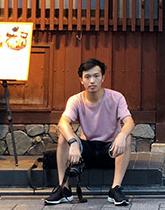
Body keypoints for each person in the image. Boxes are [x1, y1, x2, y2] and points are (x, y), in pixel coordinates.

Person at [44, 58, 135, 206]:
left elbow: (129, 122)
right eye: (87, 77)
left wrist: (122, 135)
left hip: (110, 150)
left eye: (96, 76)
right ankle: (64, 189)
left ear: (103, 78)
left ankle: (115, 189)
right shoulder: (76, 100)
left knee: (127, 137)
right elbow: (63, 122)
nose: (92, 80)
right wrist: (73, 142)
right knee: (63, 137)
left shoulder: (116, 97)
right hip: (86, 151)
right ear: (81, 80)